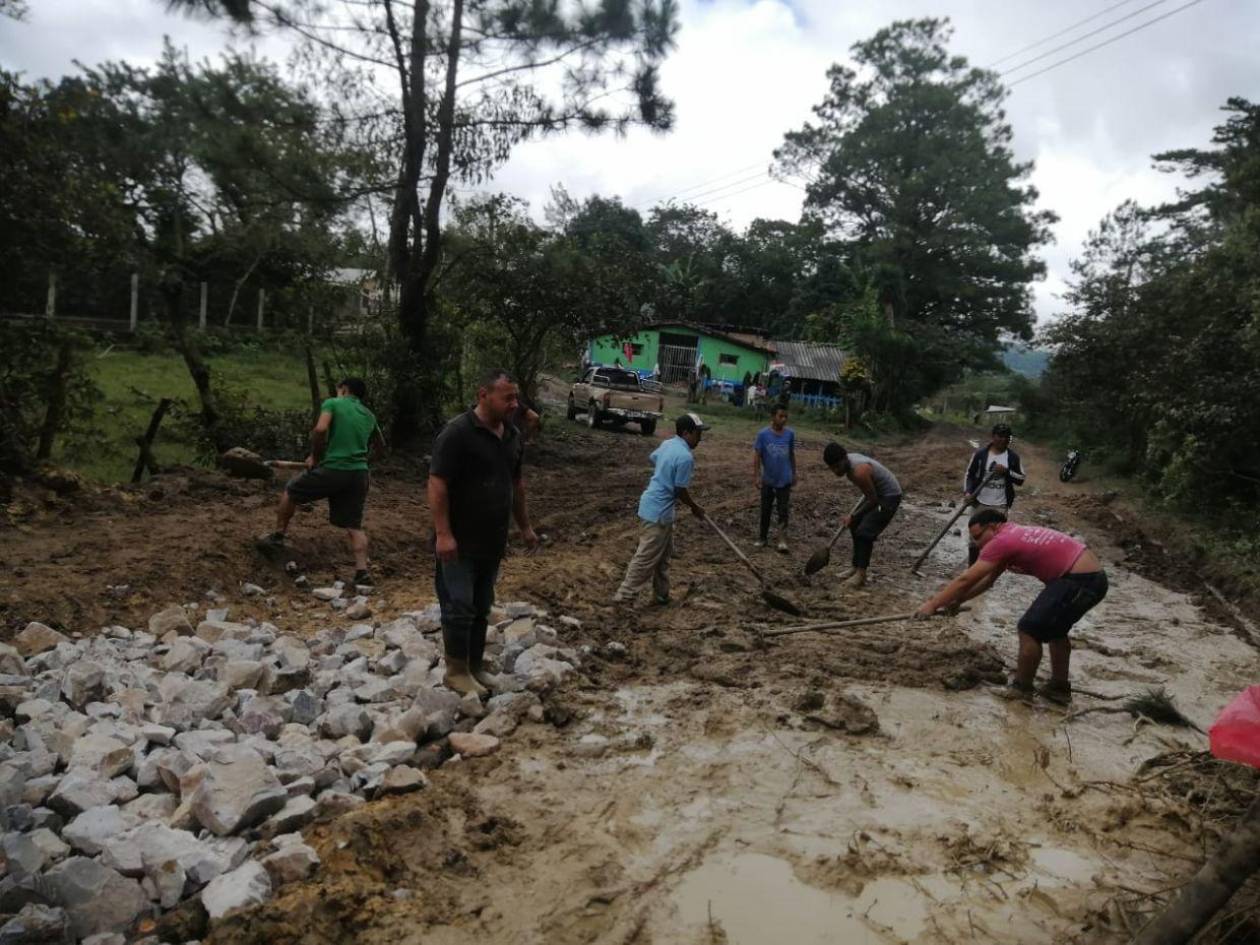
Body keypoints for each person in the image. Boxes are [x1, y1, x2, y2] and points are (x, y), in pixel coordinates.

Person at [915, 509, 1108, 704]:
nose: (976, 543)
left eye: (978, 537)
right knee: (1056, 630)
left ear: (992, 527)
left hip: (1079, 580)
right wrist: (957, 601)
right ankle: (1059, 689)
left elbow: (965, 579)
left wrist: (932, 604)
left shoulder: (1001, 541)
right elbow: (988, 581)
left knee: (1028, 629)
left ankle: (1021, 688)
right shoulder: (1011, 535)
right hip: (1094, 579)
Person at [429, 370, 540, 697]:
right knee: (458, 604)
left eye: (515, 397)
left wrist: (525, 527)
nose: (514, 404)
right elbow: (437, 485)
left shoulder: (512, 436)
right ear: (483, 395)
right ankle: (456, 670)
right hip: (458, 541)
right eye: (507, 397)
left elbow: (516, 486)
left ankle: (475, 665)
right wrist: (443, 533)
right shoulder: (457, 433)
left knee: (481, 604)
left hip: (491, 539)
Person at [257, 377, 385, 586]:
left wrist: (315, 457)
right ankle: (362, 572)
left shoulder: (333, 403)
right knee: (354, 525)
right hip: (359, 474)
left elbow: (320, 429)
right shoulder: (369, 415)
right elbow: (381, 447)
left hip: (334, 468)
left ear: (343, 389)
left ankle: (278, 537)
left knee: (291, 490)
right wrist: (363, 461)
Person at [612, 413, 708, 606]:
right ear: (686, 433)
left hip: (655, 508)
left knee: (663, 556)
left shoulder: (668, 444)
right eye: (698, 433)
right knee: (646, 557)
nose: (700, 438)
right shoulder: (685, 457)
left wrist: (664, 473)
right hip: (658, 513)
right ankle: (624, 595)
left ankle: (662, 594)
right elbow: (680, 490)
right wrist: (695, 507)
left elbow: (654, 458)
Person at [822, 442, 902, 588]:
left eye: (837, 466)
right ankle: (855, 567)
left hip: (888, 499)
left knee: (865, 531)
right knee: (854, 525)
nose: (836, 471)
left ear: (844, 459)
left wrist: (853, 515)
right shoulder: (849, 465)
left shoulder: (859, 471)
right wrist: (853, 518)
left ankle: (861, 574)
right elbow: (869, 495)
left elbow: (873, 500)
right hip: (876, 495)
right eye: (832, 468)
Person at [963, 423, 1026, 565]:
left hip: (1000, 505)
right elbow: (970, 475)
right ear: (993, 436)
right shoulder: (980, 455)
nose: (1002, 440)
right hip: (979, 502)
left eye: (1006, 437)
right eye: (999, 436)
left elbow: (1021, 479)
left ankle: (988, 570)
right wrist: (968, 492)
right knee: (975, 538)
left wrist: (1006, 472)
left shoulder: (1012, 458)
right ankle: (972, 568)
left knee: (997, 540)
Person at [753, 404, 796, 552]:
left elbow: (791, 454)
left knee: (783, 510)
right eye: (780, 416)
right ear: (773, 417)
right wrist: (757, 475)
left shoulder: (790, 434)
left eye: (786, 417)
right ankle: (762, 538)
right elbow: (757, 456)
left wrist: (794, 473)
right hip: (768, 479)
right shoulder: (763, 435)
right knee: (766, 509)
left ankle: (782, 539)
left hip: (784, 479)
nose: (783, 419)